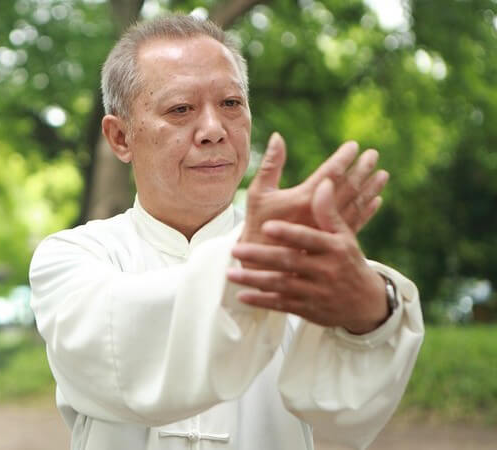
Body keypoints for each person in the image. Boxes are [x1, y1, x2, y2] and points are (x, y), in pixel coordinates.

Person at [29, 15, 423, 450]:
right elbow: (112, 344)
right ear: (120, 137)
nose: (214, 130)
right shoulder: (74, 257)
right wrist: (250, 255)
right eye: (181, 109)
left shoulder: (299, 255)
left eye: (231, 104)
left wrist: (372, 314)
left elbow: (345, 419)